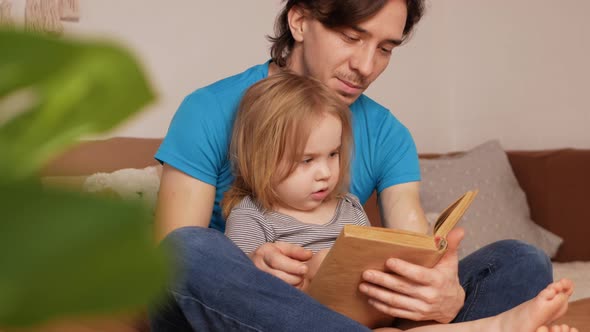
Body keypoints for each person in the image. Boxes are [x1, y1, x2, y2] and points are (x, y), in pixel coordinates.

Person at [150, 0, 554, 330]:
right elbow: (163, 271)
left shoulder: (388, 133)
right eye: (352, 37)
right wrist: (248, 271)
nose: (366, 66)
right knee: (187, 250)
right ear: (301, 21)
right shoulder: (209, 110)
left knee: (521, 263)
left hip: (341, 311)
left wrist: (444, 292)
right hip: (237, 311)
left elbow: (411, 247)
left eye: (385, 48)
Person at [221, 71, 577, 332]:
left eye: (332, 154)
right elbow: (242, 301)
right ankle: (497, 327)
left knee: (521, 259)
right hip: (311, 322)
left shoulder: (346, 205)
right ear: (260, 158)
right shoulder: (251, 218)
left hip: (384, 314)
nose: (325, 172)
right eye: (307, 160)